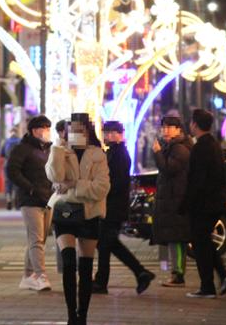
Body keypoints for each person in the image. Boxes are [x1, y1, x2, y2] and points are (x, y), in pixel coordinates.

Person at [46, 113, 110, 325]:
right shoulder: (61, 152)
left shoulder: (98, 155)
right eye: (71, 129)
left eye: (79, 130)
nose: (75, 134)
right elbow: (55, 177)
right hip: (65, 212)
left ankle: (82, 315)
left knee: (85, 267)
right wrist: (58, 148)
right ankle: (71, 315)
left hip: (89, 213)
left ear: (87, 131)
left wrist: (74, 184)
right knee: (68, 261)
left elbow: (102, 188)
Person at [93, 121, 155, 295]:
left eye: (114, 132)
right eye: (107, 132)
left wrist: (101, 190)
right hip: (112, 206)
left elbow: (117, 183)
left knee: (105, 244)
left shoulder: (119, 154)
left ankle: (103, 282)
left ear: (121, 134)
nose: (110, 136)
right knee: (107, 244)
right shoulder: (113, 152)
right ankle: (140, 273)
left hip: (114, 206)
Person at [180, 109, 226, 298]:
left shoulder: (201, 147)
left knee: (200, 244)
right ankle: (223, 275)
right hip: (214, 202)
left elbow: (197, 180)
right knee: (204, 241)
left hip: (203, 204)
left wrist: (186, 203)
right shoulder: (213, 145)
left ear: (195, 124)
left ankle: (207, 286)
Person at [7, 115, 54, 291]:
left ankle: (28, 276)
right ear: (35, 131)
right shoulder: (22, 149)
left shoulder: (48, 150)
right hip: (30, 200)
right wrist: (31, 188)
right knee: (36, 239)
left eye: (49, 128)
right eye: (44, 128)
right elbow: (12, 171)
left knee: (39, 239)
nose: (47, 131)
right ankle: (41, 276)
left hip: (47, 199)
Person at [152, 115, 192, 288]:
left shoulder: (180, 149)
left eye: (170, 127)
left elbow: (168, 169)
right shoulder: (174, 146)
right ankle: (177, 273)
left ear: (179, 130)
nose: (166, 130)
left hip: (176, 200)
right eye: (164, 127)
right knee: (176, 238)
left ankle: (178, 275)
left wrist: (157, 153)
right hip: (173, 199)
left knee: (176, 238)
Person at [0, 127, 21, 210]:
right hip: (18, 165)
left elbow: (2, 154)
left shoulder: (6, 142)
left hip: (7, 164)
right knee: (17, 184)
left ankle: (8, 200)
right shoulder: (20, 141)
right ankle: (17, 202)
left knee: (8, 183)